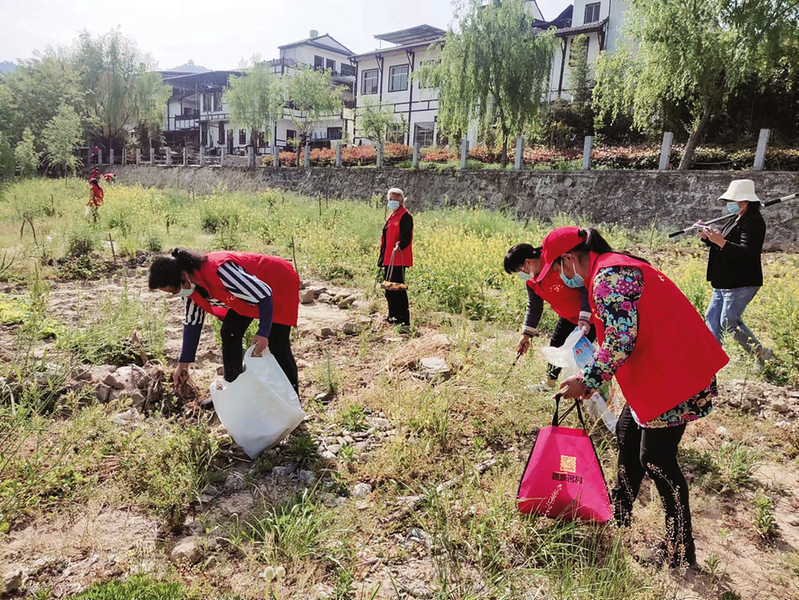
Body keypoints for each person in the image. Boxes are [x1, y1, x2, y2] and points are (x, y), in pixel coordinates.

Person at [542, 226, 728, 567]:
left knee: (656, 460)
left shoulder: (608, 277)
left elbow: (619, 341)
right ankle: (621, 514)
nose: (560, 278)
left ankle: (679, 549)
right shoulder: (612, 266)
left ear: (568, 258)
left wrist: (586, 380)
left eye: (557, 269)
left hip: (674, 376)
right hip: (662, 370)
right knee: (628, 436)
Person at [148, 248, 301, 396]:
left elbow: (264, 293)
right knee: (230, 332)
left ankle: (293, 398)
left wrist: (263, 331)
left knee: (277, 343)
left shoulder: (219, 270)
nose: (177, 294)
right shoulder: (191, 287)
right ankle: (233, 391)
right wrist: (183, 364)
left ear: (183, 276)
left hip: (277, 282)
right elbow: (193, 323)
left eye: (174, 291)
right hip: (247, 295)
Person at [695, 179, 772, 370]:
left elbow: (746, 252)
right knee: (712, 318)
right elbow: (725, 244)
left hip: (741, 281)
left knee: (729, 321)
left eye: (734, 200)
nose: (731, 204)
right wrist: (708, 237)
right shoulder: (737, 217)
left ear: (745, 201)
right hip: (724, 280)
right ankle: (712, 360)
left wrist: (720, 241)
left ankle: (761, 354)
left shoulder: (753, 221)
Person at [503, 243, 594, 388]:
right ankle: (549, 384)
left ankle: (582, 389)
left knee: (580, 354)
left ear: (527, 262)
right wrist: (525, 335)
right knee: (556, 346)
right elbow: (534, 307)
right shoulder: (532, 281)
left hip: (589, 318)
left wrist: (584, 317)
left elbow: (586, 286)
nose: (521, 274)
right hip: (568, 316)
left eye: (519, 270)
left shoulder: (557, 265)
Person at [378, 188, 413, 327]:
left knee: (398, 289)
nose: (392, 202)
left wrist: (399, 245)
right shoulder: (392, 217)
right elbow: (385, 240)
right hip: (388, 258)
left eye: (395, 200)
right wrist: (381, 259)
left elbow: (406, 237)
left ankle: (403, 320)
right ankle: (392, 316)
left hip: (398, 259)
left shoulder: (405, 217)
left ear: (401, 201)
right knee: (389, 289)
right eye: (390, 199)